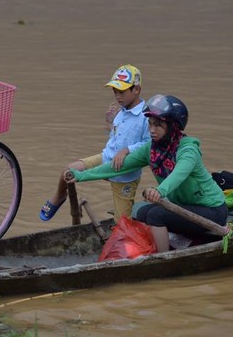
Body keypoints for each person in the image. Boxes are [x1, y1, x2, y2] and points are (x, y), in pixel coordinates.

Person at [66, 94, 228, 252]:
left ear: (173, 126)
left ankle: (163, 259)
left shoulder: (188, 150)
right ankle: (156, 247)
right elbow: (116, 167)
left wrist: (159, 191)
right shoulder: (152, 149)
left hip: (211, 210)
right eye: (150, 124)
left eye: (158, 125)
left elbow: (178, 174)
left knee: (156, 215)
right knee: (143, 213)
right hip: (183, 206)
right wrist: (81, 176)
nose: (151, 130)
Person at [39, 64, 151, 222]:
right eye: (115, 92)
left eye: (121, 92)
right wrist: (110, 125)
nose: (117, 96)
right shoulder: (121, 111)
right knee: (68, 171)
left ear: (136, 90)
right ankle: (59, 196)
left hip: (124, 175)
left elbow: (149, 145)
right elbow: (115, 138)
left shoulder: (147, 116)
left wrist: (126, 150)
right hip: (106, 158)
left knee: (122, 224)